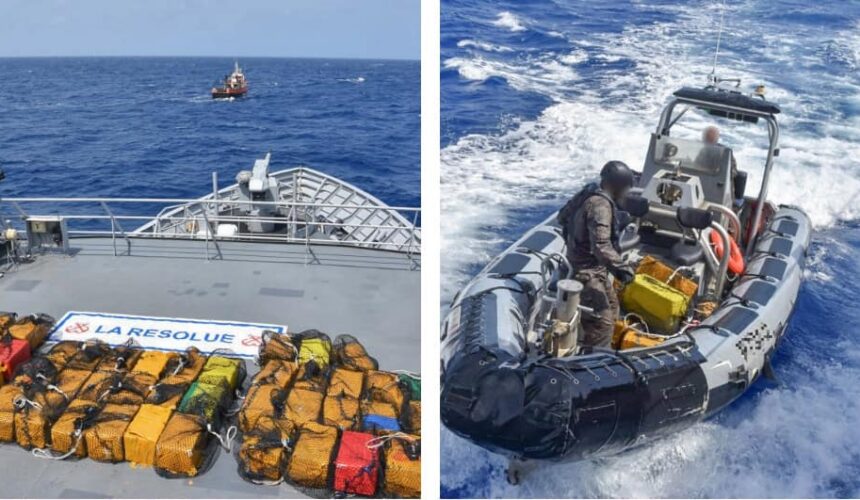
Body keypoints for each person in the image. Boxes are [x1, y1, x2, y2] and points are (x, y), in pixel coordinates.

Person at [557, 161, 636, 349]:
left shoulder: (587, 194)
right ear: (616, 186)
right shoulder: (601, 206)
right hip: (586, 273)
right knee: (603, 324)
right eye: (624, 188)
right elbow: (601, 245)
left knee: (613, 306)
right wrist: (622, 269)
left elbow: (562, 217)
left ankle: (594, 343)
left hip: (582, 265)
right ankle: (592, 357)